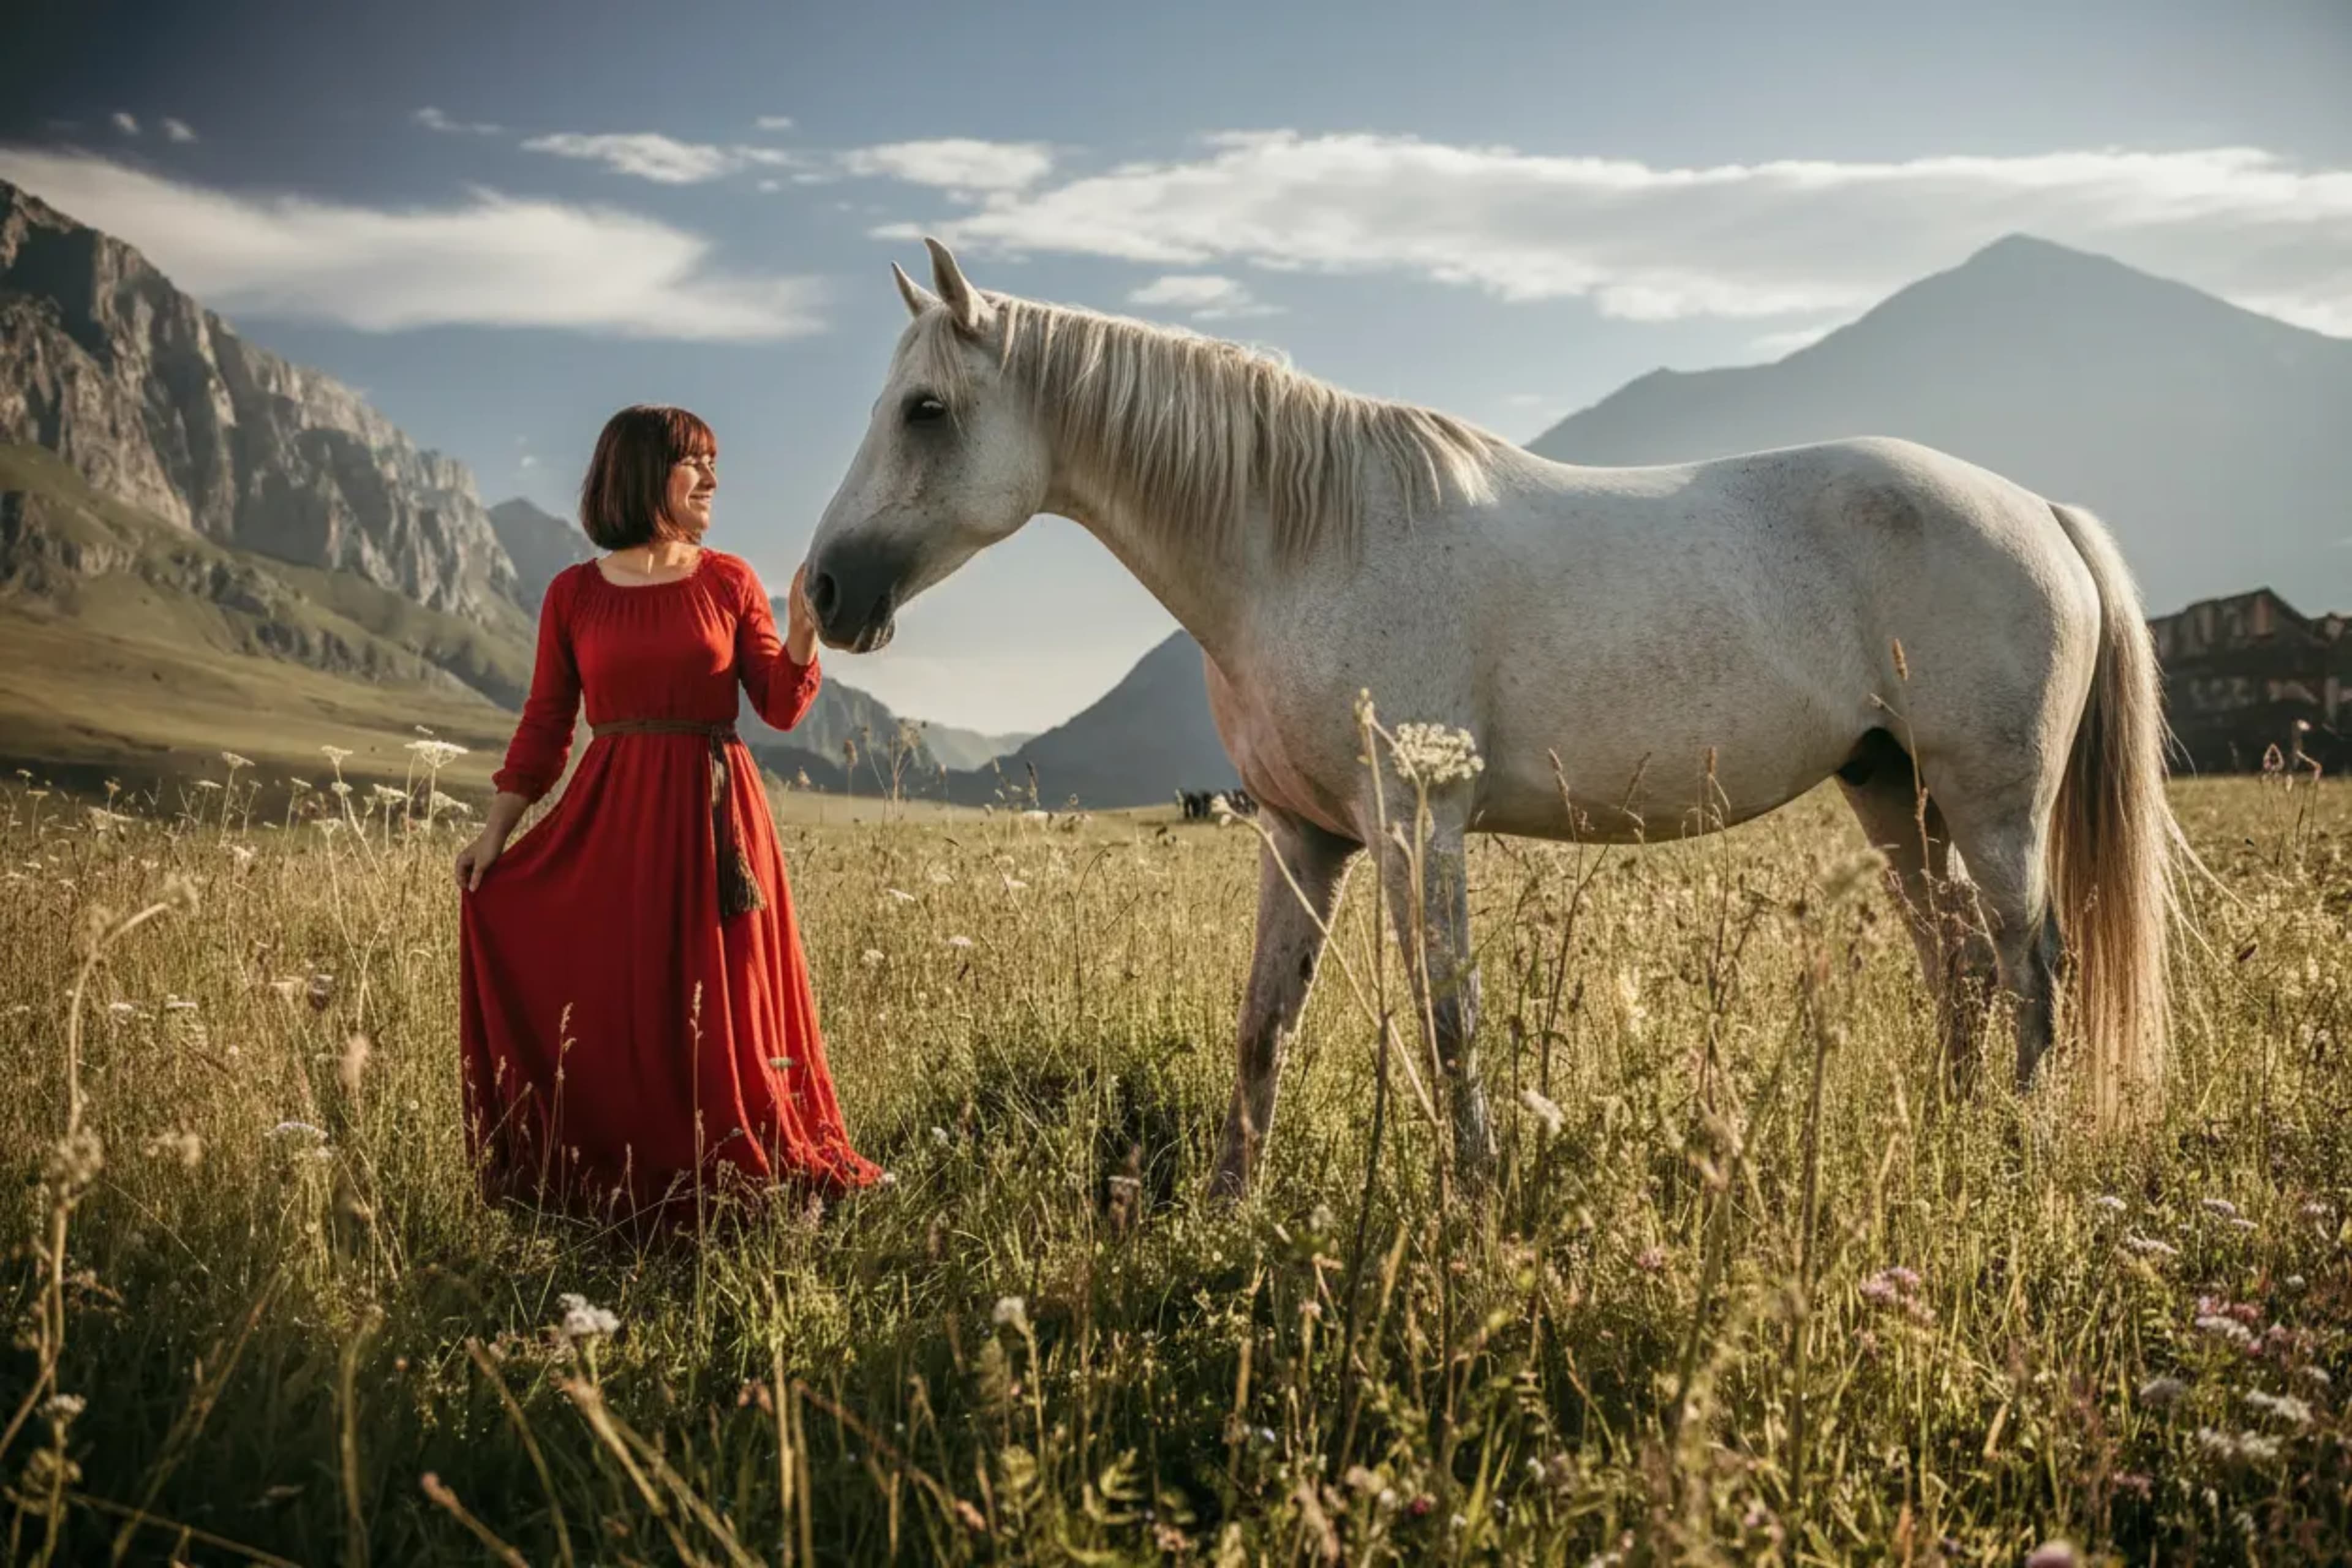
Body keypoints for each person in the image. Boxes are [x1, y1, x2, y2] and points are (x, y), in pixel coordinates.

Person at [453, 404, 884, 1228]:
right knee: (627, 998)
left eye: (715, 462)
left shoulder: (728, 580)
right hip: (613, 822)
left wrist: (800, 634)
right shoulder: (573, 595)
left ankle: (741, 1177)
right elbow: (546, 727)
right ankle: (624, 1177)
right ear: (646, 473)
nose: (714, 478)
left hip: (717, 821)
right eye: (696, 462)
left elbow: (779, 704)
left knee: (725, 1001)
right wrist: (494, 836)